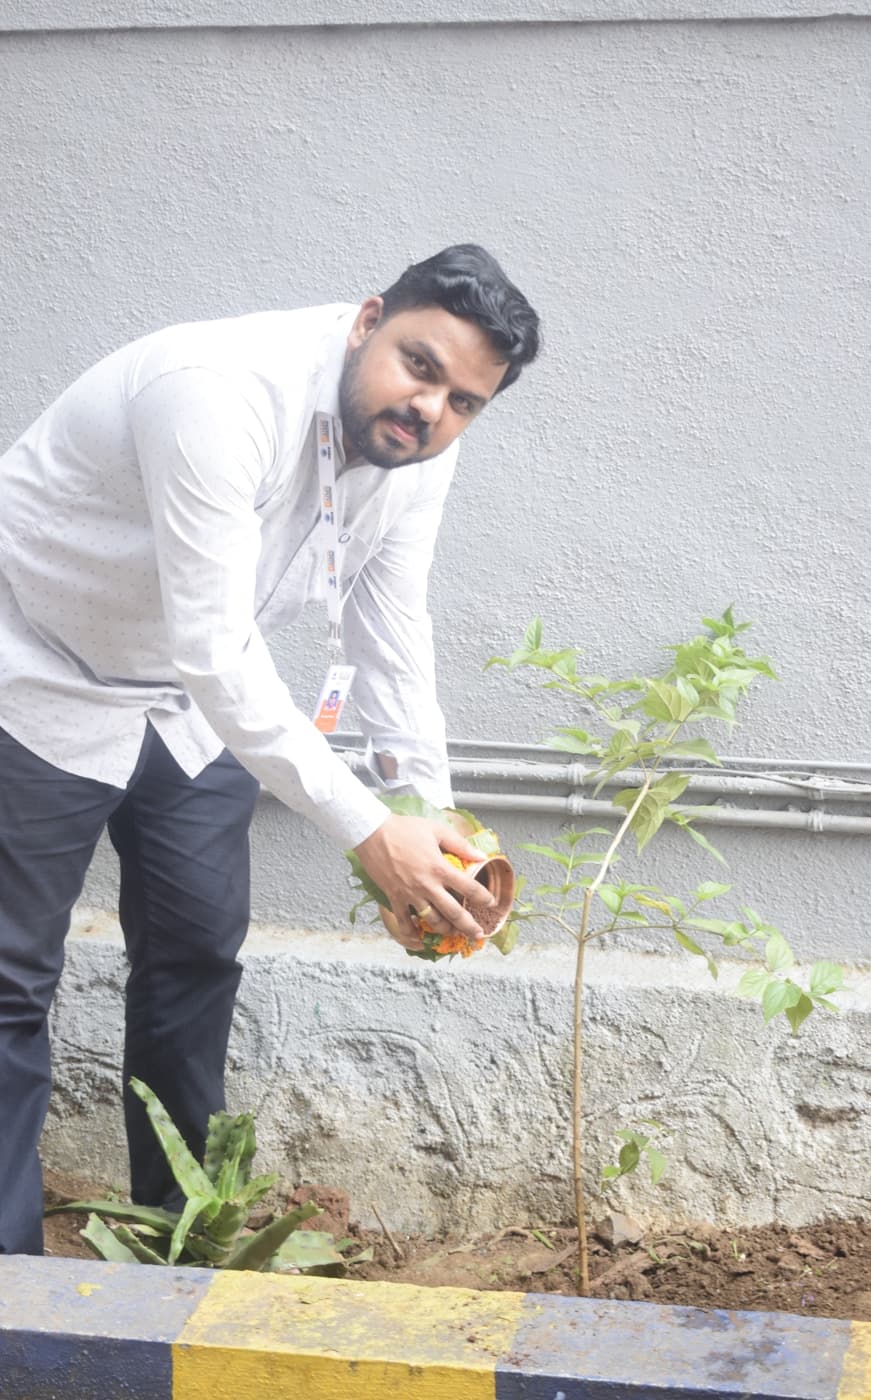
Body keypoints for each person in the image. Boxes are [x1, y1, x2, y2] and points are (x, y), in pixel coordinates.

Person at [0, 243, 540, 1255]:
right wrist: (368, 830)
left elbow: (392, 624)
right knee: (8, 980)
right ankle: (9, 1290)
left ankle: (183, 1242)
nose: (432, 408)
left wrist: (430, 812)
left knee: (198, 954)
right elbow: (214, 644)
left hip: (191, 706)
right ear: (366, 317)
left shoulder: (414, 448)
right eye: (419, 365)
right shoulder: (215, 392)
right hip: (35, 671)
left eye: (466, 399)